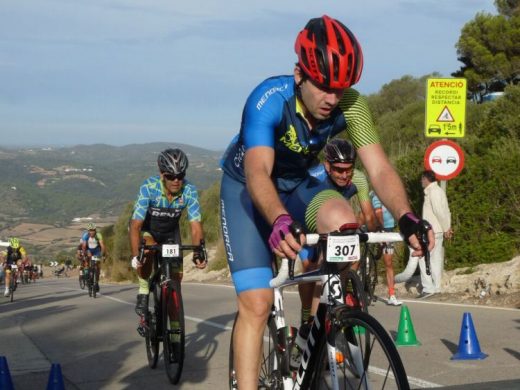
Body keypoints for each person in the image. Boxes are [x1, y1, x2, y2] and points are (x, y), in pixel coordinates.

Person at [219, 15, 434, 389]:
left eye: (341, 87)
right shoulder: (268, 100)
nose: (332, 98)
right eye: (323, 86)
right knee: (256, 304)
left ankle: (317, 327)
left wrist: (406, 216)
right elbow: (258, 172)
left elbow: (379, 168)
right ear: (300, 73)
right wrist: (280, 220)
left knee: (342, 218)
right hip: (246, 191)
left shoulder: (351, 105)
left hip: (296, 185)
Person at [293, 139, 378, 327]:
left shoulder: (358, 178)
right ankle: (308, 319)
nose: (345, 175)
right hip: (307, 221)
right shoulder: (314, 177)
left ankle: (344, 290)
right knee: (310, 267)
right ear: (327, 165)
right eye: (339, 169)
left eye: (349, 169)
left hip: (333, 223)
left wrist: (377, 237)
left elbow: (368, 213)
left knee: (348, 252)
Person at [129, 148, 207, 325]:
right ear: (162, 174)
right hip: (148, 230)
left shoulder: (189, 191)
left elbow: (195, 226)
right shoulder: (149, 187)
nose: (176, 180)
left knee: (175, 284)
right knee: (147, 252)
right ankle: (143, 289)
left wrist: (197, 253)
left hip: (171, 234)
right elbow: (135, 225)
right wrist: (136, 256)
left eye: (181, 175)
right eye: (171, 176)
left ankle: (175, 333)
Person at [394, 170, 453, 298]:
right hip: (438, 231)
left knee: (423, 259)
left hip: (432, 231)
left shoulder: (433, 192)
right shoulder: (438, 191)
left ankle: (428, 288)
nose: (421, 182)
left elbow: (439, 212)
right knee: (435, 260)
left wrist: (446, 228)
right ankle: (436, 287)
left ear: (426, 179)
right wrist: (446, 228)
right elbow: (446, 212)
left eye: (422, 179)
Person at [371, 191, 402, 306]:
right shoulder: (375, 194)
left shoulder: (389, 193)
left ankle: (392, 294)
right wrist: (382, 231)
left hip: (389, 230)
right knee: (366, 259)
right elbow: (378, 212)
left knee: (388, 263)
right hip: (378, 229)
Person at [80, 223, 107, 292]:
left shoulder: (98, 235)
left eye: (93, 230)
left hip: (97, 250)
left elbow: (102, 246)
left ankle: (96, 282)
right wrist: (85, 254)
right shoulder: (85, 235)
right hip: (89, 250)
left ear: (95, 230)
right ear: (88, 231)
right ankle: (87, 275)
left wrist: (103, 255)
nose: (92, 232)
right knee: (87, 263)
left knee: (97, 266)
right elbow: (84, 246)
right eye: (90, 230)